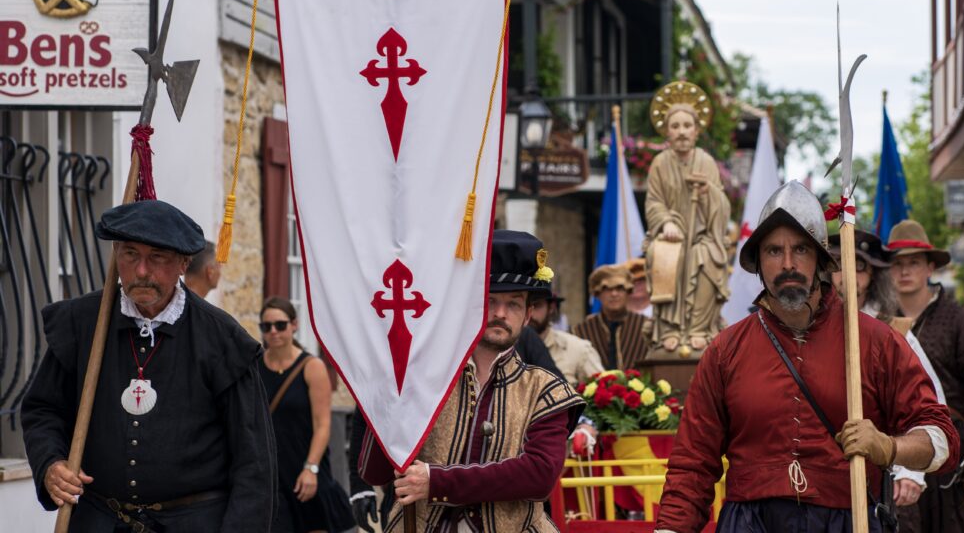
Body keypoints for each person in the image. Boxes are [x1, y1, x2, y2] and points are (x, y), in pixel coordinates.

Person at [655, 181, 958, 533]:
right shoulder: (725, 351)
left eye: (800, 249)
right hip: (751, 524)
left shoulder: (875, 341)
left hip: (849, 520)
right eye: (773, 251)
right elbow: (692, 465)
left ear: (819, 259)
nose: (787, 264)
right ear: (758, 263)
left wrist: (888, 447)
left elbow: (942, 438)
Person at [21, 199, 276, 532]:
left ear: (184, 263)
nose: (141, 271)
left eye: (157, 257)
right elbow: (42, 409)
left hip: (195, 524)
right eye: (130, 254)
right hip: (98, 520)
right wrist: (50, 463)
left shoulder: (223, 340)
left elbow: (254, 462)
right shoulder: (82, 322)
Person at [359, 230, 585, 532]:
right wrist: (390, 390)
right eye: (490, 300)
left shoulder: (547, 390)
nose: (501, 313)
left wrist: (436, 482)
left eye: (514, 304)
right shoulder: (422, 378)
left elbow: (539, 476)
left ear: (528, 315)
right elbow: (374, 472)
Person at [886, 220, 964, 533]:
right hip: (895, 448)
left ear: (930, 268)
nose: (904, 271)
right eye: (897, 264)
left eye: (913, 263)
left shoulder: (959, 320)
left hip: (950, 448)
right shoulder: (876, 322)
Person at [827, 229, 948, 519]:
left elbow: (931, 412)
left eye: (859, 265)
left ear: (872, 275)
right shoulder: (805, 332)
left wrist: (909, 473)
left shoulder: (893, 334)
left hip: (880, 486)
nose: (848, 275)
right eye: (838, 264)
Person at [644, 81, 731, 354]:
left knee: (706, 257)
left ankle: (698, 328)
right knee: (667, 254)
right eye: (675, 126)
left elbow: (722, 204)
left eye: (687, 126)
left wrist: (707, 193)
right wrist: (666, 223)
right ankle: (669, 329)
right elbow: (653, 201)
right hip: (671, 234)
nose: (681, 132)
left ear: (696, 130)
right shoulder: (660, 163)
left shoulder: (705, 161)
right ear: (667, 131)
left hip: (703, 235)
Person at [259, 296, 355, 533]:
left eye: (280, 325)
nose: (273, 332)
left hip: (306, 469)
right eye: (266, 326)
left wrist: (310, 468)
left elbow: (323, 424)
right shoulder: (255, 366)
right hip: (272, 473)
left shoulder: (312, 367)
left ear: (294, 324)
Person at [572, 264, 650, 370]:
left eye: (620, 288)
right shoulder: (580, 331)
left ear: (628, 292)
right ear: (597, 293)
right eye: (607, 289)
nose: (614, 294)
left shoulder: (647, 327)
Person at [528, 284, 603, 385]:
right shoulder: (502, 351)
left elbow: (602, 391)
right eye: (523, 306)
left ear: (551, 307)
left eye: (536, 306)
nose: (529, 314)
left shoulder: (579, 349)